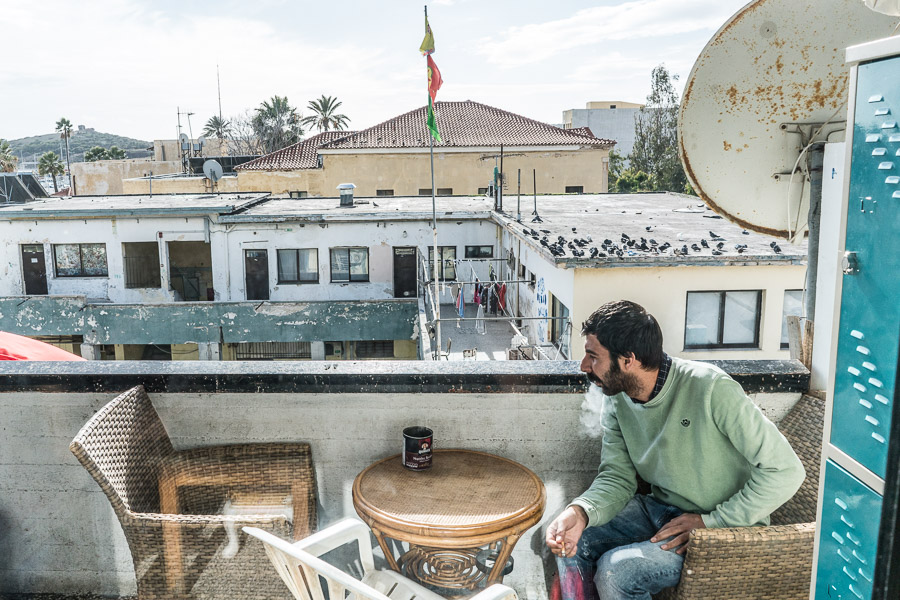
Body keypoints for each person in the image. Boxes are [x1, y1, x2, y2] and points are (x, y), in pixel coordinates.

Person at [545, 300, 805, 600]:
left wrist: (713, 522)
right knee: (566, 538)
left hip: (722, 528)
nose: (583, 366)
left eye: (593, 356)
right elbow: (617, 477)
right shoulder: (617, 397)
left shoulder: (711, 388)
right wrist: (580, 511)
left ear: (628, 360)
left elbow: (786, 471)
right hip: (659, 510)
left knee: (616, 573)